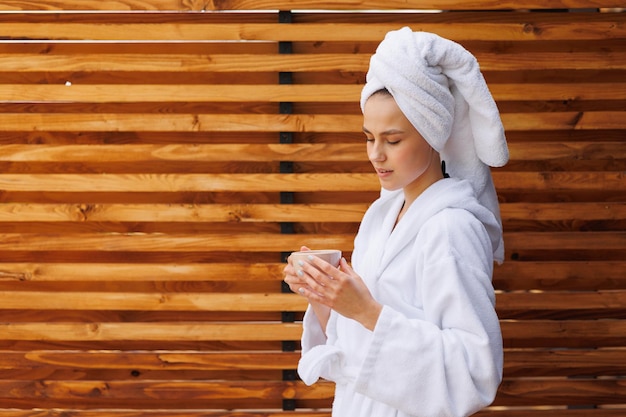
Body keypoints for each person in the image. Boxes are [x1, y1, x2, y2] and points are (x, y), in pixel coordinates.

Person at [283, 27, 508, 417]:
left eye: (393, 139)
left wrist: (366, 310)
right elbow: (357, 348)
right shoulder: (381, 217)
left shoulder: (452, 228)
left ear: (432, 132)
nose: (376, 154)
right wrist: (324, 295)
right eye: (368, 137)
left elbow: (476, 372)